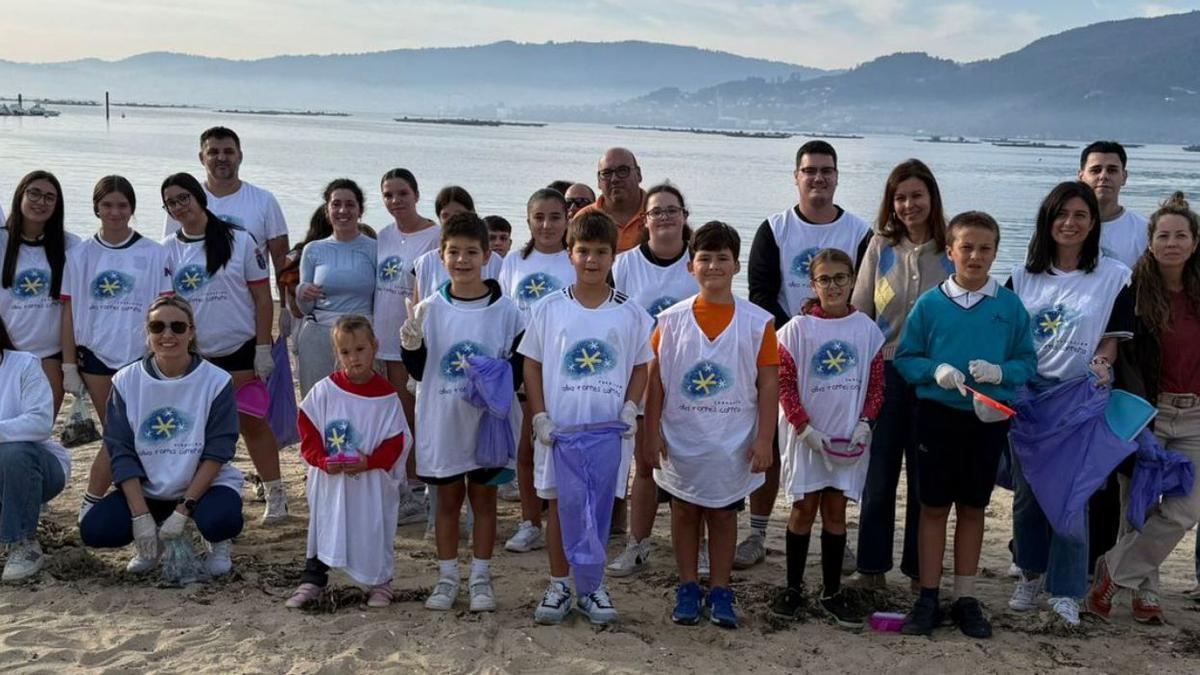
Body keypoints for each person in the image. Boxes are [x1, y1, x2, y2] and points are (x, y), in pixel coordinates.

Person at [893, 212, 1037, 637]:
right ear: (951, 251)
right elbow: (906, 358)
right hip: (937, 417)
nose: (975, 256)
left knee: (974, 507)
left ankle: (966, 597)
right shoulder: (931, 304)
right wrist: (934, 369)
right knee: (933, 506)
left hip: (986, 420)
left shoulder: (1009, 307)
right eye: (967, 247)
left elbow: (1027, 362)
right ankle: (928, 596)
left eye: (985, 248)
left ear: (996, 252)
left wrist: (1000, 372)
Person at [741, 140, 873, 569]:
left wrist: (837, 329)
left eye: (826, 170)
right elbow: (760, 291)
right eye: (809, 170)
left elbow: (870, 293)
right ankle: (758, 530)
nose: (818, 178)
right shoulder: (775, 227)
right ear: (796, 176)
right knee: (776, 441)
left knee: (837, 438)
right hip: (786, 347)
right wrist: (799, 334)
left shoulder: (858, 232)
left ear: (837, 177)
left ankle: (839, 538)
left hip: (840, 354)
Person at [1008, 181, 1134, 626]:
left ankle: (1066, 590)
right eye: (1061, 214)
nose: (1070, 223)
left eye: (1080, 215)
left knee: (1072, 497)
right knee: (1027, 498)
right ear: (1047, 221)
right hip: (1029, 400)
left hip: (1078, 396)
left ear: (1093, 223)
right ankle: (1030, 574)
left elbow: (1112, 339)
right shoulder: (1022, 277)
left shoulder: (1114, 276)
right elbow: (1008, 338)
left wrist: (1101, 363)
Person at [520, 211, 653, 625]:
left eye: (601, 252)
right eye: (583, 252)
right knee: (561, 506)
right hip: (560, 432)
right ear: (570, 254)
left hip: (607, 435)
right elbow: (532, 365)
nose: (592, 260)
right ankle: (560, 584)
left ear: (614, 256)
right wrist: (539, 415)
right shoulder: (549, 308)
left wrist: (632, 407)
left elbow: (640, 365)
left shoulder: (630, 312)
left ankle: (593, 588)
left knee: (597, 507)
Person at [644, 221, 777, 628]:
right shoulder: (670, 320)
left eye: (723, 258)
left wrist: (764, 439)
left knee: (722, 514)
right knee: (684, 511)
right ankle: (687, 585)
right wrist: (652, 433)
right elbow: (656, 382)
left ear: (736, 265)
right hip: (682, 436)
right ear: (690, 265)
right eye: (705, 258)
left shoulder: (758, 322)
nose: (714, 266)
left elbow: (768, 383)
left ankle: (720, 588)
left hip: (732, 439)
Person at [400, 213, 525, 613]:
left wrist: (492, 378)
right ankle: (448, 576)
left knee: (485, 502)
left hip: (488, 427)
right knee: (448, 502)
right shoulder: (429, 309)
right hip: (443, 422)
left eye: (472, 252)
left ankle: (482, 577)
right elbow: (419, 372)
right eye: (454, 252)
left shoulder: (508, 312)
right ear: (441, 255)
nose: (463, 259)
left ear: (488, 256)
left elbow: (518, 373)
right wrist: (411, 344)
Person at [1086, 192, 1200, 624]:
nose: (1172, 243)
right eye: (1164, 236)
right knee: (1136, 507)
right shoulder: (1131, 294)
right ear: (1150, 243)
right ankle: (1145, 593)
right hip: (1145, 413)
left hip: (1195, 416)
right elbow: (1125, 357)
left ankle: (1113, 573)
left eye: (1181, 236)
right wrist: (1134, 417)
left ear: (1194, 242)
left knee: (1184, 510)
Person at [79, 296, 244, 576]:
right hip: (149, 487)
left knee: (222, 520)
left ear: (191, 332)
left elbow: (218, 451)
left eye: (178, 327)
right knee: (96, 530)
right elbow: (121, 451)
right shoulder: (126, 381)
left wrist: (183, 510)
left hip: (202, 486)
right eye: (157, 327)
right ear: (147, 333)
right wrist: (140, 515)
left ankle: (217, 542)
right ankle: (151, 540)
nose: (167, 335)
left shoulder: (216, 381)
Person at [159, 172, 289, 524]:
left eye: (184, 198)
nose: (179, 207)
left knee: (252, 422)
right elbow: (167, 305)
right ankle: (197, 495)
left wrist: (264, 345)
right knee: (197, 428)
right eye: (171, 202)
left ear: (199, 197)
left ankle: (276, 494)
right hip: (194, 355)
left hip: (239, 347)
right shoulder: (169, 249)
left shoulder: (239, 240)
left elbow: (263, 297)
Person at [851, 159, 953, 588]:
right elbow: (859, 311)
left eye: (917, 196)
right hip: (886, 372)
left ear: (932, 198)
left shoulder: (952, 248)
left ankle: (918, 571)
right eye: (900, 197)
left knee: (925, 479)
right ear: (891, 203)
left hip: (935, 377)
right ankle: (871, 569)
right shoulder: (879, 246)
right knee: (879, 475)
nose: (909, 205)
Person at [770, 248, 885, 628]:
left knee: (836, 511)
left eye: (840, 278)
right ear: (813, 283)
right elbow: (785, 386)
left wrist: (866, 421)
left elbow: (876, 385)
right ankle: (793, 588)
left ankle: (832, 592)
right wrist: (803, 428)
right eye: (825, 279)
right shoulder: (796, 330)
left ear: (853, 280)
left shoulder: (867, 330)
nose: (833, 286)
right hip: (808, 438)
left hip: (847, 438)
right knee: (804, 508)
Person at [65, 177, 175, 518]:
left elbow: (167, 308)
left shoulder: (153, 253)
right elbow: (67, 311)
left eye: (122, 205)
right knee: (118, 436)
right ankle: (94, 504)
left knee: (137, 434)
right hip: (96, 357)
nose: (115, 212)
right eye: (108, 205)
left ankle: (122, 501)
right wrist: (69, 365)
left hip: (141, 357)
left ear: (132, 209)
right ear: (96, 207)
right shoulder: (80, 254)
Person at [286, 315, 411, 609]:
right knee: (324, 523)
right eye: (345, 352)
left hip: (369, 479)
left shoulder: (387, 396)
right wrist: (321, 459)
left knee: (372, 526)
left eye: (360, 350)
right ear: (336, 354)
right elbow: (308, 427)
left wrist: (371, 461)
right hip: (330, 477)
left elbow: (397, 441)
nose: (353, 358)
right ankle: (313, 579)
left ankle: (380, 582)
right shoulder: (324, 391)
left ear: (374, 347)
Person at [609, 184, 700, 578]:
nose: (664, 217)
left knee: (693, 464)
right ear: (643, 221)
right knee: (644, 464)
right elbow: (613, 321)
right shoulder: (626, 264)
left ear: (684, 216)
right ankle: (638, 544)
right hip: (643, 376)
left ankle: (699, 547)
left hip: (690, 382)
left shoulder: (699, 263)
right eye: (656, 212)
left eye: (671, 210)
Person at [497, 188, 576, 554]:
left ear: (567, 220)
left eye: (555, 217)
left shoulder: (575, 261)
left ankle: (568, 521)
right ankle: (530, 522)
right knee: (525, 448)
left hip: (564, 367)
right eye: (539, 217)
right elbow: (502, 312)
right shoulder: (513, 261)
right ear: (528, 220)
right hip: (521, 363)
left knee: (562, 447)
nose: (547, 225)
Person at [371, 168, 440, 527]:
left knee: (413, 415)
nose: (395, 201)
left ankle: (417, 487)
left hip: (411, 340)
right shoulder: (382, 236)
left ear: (416, 194)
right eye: (388, 195)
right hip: (379, 337)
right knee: (392, 415)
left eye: (402, 193)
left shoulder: (434, 236)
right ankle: (402, 482)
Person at [163, 127, 290, 292]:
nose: (221, 158)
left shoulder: (264, 201)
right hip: (193, 302)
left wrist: (285, 308)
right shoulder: (183, 201)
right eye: (213, 152)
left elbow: (281, 259)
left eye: (228, 152)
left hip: (245, 307)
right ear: (202, 158)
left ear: (240, 156)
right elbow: (168, 259)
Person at [1, 170, 81, 416]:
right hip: (5, 352)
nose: (41, 202)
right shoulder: (2, 241)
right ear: (20, 195)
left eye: (49, 197)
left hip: (50, 356)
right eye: (34, 193)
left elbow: (72, 307)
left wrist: (70, 367)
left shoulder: (71, 245)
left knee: (37, 432)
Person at [0, 315, 71, 582]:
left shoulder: (23, 364)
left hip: (38, 468)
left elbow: (41, 423)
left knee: (13, 452)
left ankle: (23, 543)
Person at [295, 179, 377, 396]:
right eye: (336, 204)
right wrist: (302, 293)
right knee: (318, 400)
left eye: (350, 205)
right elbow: (305, 309)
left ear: (360, 210)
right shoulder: (313, 249)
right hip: (319, 336)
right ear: (327, 209)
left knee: (361, 402)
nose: (343, 210)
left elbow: (381, 300)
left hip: (361, 336)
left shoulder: (375, 248)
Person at [413, 186, 502, 301]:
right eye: (445, 216)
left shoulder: (494, 261)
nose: (452, 220)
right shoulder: (425, 262)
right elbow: (416, 309)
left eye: (458, 214)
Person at [1078, 141, 1147, 269]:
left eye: (1112, 170)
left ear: (1124, 177)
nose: (1103, 176)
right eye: (1096, 170)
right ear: (1081, 177)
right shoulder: (1060, 228)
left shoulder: (1144, 231)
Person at [575, 148, 647, 252]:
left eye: (622, 171)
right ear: (599, 181)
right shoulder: (583, 219)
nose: (614, 179)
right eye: (607, 173)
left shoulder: (659, 214)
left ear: (638, 174)